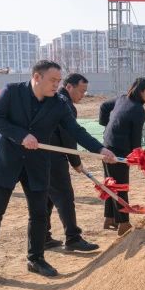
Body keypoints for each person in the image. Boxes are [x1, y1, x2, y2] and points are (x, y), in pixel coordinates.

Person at [0, 61, 116, 284]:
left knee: (39, 214)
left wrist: (100, 149)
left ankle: (36, 259)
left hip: (37, 164)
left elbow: (76, 131)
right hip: (6, 162)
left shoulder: (58, 104)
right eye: (53, 80)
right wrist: (21, 136)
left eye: (59, 81)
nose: (57, 85)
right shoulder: (12, 92)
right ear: (37, 77)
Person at [44, 73, 98, 252]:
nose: (82, 95)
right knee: (65, 197)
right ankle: (73, 237)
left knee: (47, 197)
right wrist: (75, 162)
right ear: (69, 87)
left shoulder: (53, 100)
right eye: (81, 91)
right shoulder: (65, 104)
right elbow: (70, 136)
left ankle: (43, 236)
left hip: (41, 156)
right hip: (54, 156)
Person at [101, 77, 145, 236]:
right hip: (118, 151)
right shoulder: (139, 110)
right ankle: (123, 223)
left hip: (106, 145)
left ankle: (109, 218)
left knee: (110, 184)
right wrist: (137, 156)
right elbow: (136, 139)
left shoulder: (122, 98)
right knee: (120, 187)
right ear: (141, 91)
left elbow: (104, 106)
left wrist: (106, 125)